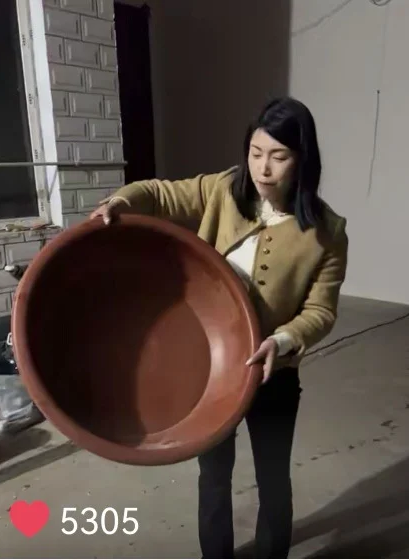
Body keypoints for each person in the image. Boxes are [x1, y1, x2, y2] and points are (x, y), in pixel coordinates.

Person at [90, 96, 348, 558]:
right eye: (255, 152)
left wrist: (284, 339)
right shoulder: (224, 189)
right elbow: (161, 194)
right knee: (213, 477)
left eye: (278, 156)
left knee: (273, 479)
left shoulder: (327, 232)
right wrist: (121, 202)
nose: (262, 168)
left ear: (302, 159)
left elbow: (321, 310)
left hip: (273, 373)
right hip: (212, 369)